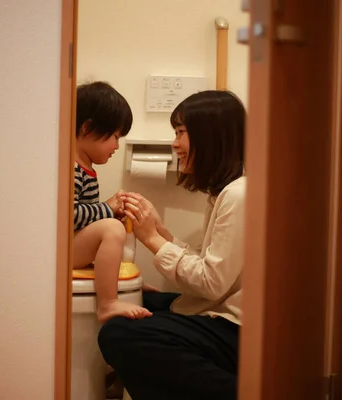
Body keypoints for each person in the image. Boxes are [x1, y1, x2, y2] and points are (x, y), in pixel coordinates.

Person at [98, 90, 246, 400]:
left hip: (236, 329)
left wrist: (152, 240)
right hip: (221, 312)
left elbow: (211, 282)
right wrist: (163, 233)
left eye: (180, 132)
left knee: (119, 333)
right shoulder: (225, 192)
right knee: (137, 303)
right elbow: (212, 265)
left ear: (209, 135)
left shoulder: (238, 196)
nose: (175, 143)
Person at [73, 81, 152, 322]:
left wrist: (109, 212)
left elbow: (86, 218)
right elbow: (70, 215)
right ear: (88, 128)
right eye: (115, 137)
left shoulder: (85, 168)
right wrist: (106, 209)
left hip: (72, 246)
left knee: (117, 226)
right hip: (60, 251)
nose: (117, 146)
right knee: (112, 228)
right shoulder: (71, 168)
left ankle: (117, 284)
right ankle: (107, 303)